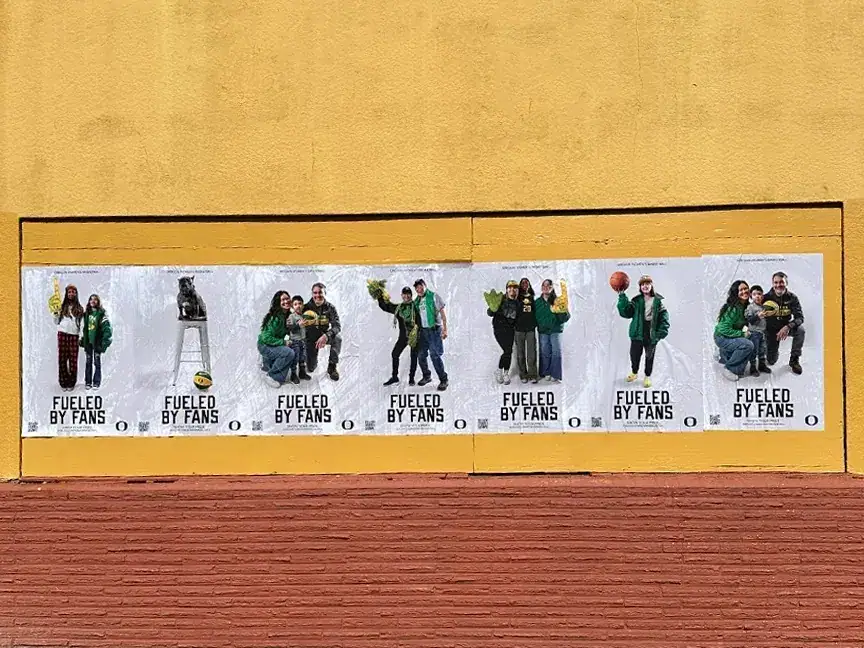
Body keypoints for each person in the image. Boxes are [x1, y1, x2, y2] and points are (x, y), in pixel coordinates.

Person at [616, 275, 670, 388]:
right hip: (637, 332)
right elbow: (626, 312)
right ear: (640, 287)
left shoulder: (658, 302)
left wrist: (660, 334)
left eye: (647, 284)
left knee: (649, 356)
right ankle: (634, 372)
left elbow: (664, 317)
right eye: (642, 284)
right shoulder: (636, 300)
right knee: (634, 355)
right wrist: (622, 297)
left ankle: (647, 376)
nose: (645, 286)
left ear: (651, 285)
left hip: (651, 333)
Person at [763, 271, 805, 375]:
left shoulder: (792, 298)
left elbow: (800, 318)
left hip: (785, 327)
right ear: (772, 284)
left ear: (786, 283)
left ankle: (794, 360)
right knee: (771, 361)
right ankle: (770, 349)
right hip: (770, 330)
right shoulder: (765, 298)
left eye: (781, 282)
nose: (778, 285)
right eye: (775, 282)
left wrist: (787, 326)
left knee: (800, 330)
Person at [713, 279, 756, 382]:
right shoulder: (733, 308)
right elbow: (723, 329)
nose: (744, 291)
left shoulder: (746, 306)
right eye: (740, 290)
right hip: (722, 337)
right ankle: (730, 369)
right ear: (736, 293)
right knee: (747, 345)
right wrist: (742, 334)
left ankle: (723, 355)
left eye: (746, 288)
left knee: (753, 336)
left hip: (730, 336)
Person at [413, 279, 448, 391]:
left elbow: (442, 313)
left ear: (425, 286)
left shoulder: (433, 296)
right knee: (421, 355)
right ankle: (427, 376)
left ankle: (444, 379)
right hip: (423, 332)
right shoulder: (417, 301)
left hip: (434, 330)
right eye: (417, 288)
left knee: (434, 355)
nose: (419, 289)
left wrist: (445, 329)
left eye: (421, 287)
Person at [257, 291, 296, 388]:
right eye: (283, 300)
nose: (286, 301)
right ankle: (273, 376)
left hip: (273, 344)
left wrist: (287, 340)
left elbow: (287, 333)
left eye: (287, 298)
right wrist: (283, 342)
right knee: (289, 353)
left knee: (292, 347)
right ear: (278, 302)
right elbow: (265, 337)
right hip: (265, 345)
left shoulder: (288, 315)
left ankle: (267, 364)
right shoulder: (275, 318)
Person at [304, 282, 342, 381]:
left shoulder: (331, 308)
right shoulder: (305, 308)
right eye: (315, 293)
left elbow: (337, 326)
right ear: (312, 294)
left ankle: (332, 367)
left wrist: (326, 336)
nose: (317, 295)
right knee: (311, 368)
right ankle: (305, 358)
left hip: (323, 336)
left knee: (337, 338)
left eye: (320, 292)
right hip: (310, 338)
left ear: (325, 293)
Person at [535, 279, 570, 383]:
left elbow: (566, 317)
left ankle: (555, 373)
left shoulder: (558, 300)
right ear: (541, 288)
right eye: (544, 285)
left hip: (555, 330)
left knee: (556, 351)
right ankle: (546, 372)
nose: (546, 287)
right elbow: (534, 317)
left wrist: (562, 311)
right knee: (544, 350)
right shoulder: (537, 302)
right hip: (543, 331)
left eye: (548, 286)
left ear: (552, 288)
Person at [487, 280, 520, 385]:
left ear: (517, 290)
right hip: (499, 328)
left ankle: (505, 372)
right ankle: (499, 371)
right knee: (507, 351)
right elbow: (490, 312)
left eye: (514, 288)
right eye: (510, 288)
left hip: (510, 330)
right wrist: (492, 308)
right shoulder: (500, 299)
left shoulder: (518, 303)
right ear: (507, 290)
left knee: (508, 351)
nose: (512, 290)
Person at [53, 284, 84, 391]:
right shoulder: (61, 307)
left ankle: (71, 382)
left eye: (73, 292)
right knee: (62, 359)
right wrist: (56, 313)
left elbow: (82, 324)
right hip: (62, 334)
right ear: (67, 294)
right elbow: (56, 322)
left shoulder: (80, 308)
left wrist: (81, 336)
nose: (71, 294)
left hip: (74, 336)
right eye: (69, 292)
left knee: (73, 360)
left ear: (76, 294)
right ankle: (63, 382)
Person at [80, 294, 113, 390]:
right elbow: (83, 328)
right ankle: (88, 382)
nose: (93, 301)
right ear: (89, 302)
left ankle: (96, 382)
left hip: (97, 342)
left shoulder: (102, 314)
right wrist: (82, 340)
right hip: (88, 343)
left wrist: (104, 343)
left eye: (95, 299)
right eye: (91, 299)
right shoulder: (86, 314)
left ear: (98, 302)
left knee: (97, 363)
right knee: (88, 362)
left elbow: (107, 329)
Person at [514, 277, 538, 384]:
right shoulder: (516, 297)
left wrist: (535, 324)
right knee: (520, 353)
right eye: (522, 283)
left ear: (529, 285)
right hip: (519, 330)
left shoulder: (532, 297)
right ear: (520, 285)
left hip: (530, 329)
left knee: (531, 353)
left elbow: (535, 313)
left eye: (526, 282)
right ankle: (523, 374)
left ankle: (532, 375)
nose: (524, 284)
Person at [744, 285, 771, 376]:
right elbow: (749, 319)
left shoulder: (764, 307)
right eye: (754, 294)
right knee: (754, 350)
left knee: (762, 349)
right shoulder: (750, 307)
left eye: (759, 294)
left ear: (762, 296)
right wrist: (758, 316)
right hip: (754, 333)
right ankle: (752, 367)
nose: (757, 296)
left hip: (762, 333)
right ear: (751, 296)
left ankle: (762, 365)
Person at [285, 295, 311, 384]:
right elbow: (290, 329)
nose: (298, 306)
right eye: (295, 304)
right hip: (294, 341)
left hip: (303, 340)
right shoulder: (291, 317)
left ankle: (302, 372)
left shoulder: (304, 316)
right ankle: (293, 374)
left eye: (300, 303)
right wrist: (298, 325)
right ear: (292, 306)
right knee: (295, 357)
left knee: (302, 356)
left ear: (303, 305)